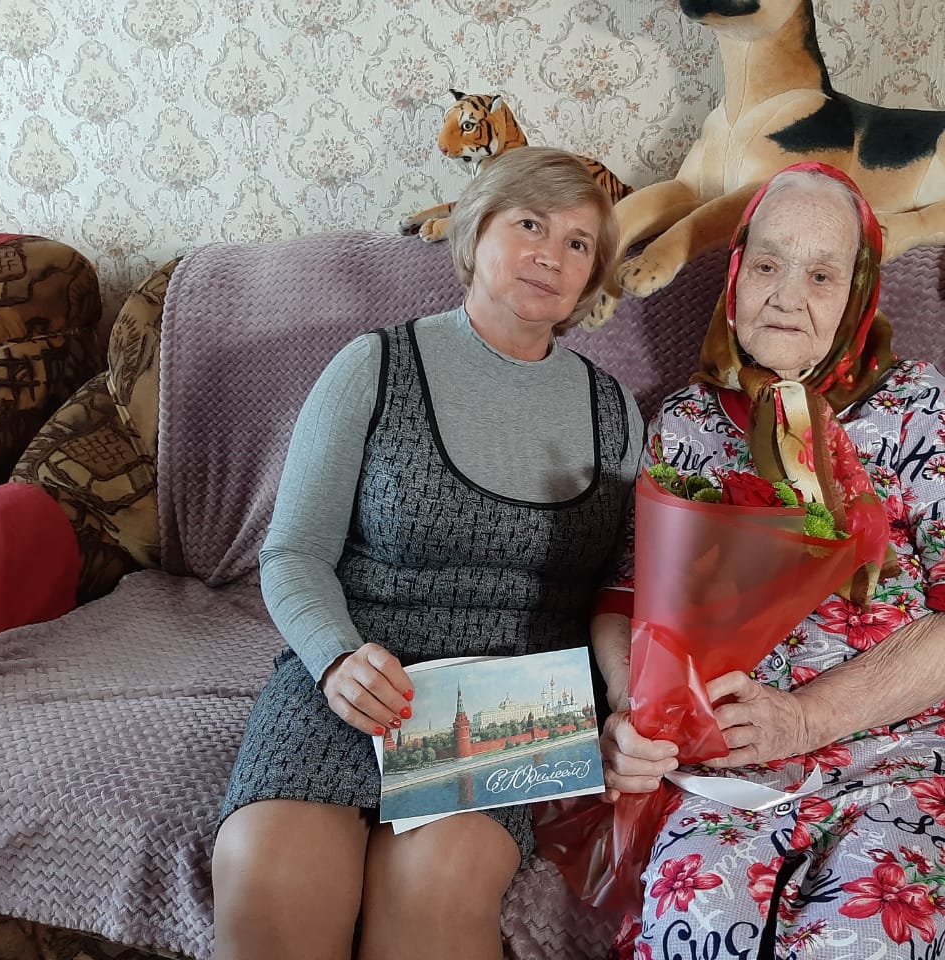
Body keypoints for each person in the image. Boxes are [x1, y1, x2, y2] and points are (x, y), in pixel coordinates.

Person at [212, 146, 644, 960]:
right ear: (476, 232)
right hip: (356, 676)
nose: (552, 254)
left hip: (511, 703)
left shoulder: (616, 411)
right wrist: (335, 660)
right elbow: (294, 552)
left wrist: (626, 703)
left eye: (579, 243)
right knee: (267, 870)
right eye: (530, 224)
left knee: (436, 884)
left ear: (592, 276)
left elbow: (621, 590)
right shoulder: (371, 366)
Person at [594, 162, 945, 959]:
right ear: (735, 278)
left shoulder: (915, 404)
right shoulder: (687, 422)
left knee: (857, 941)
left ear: (856, 296)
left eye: (821, 275)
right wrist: (635, 716)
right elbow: (627, 600)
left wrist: (804, 720)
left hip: (902, 748)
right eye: (767, 265)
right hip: (730, 758)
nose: (787, 296)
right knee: (697, 934)